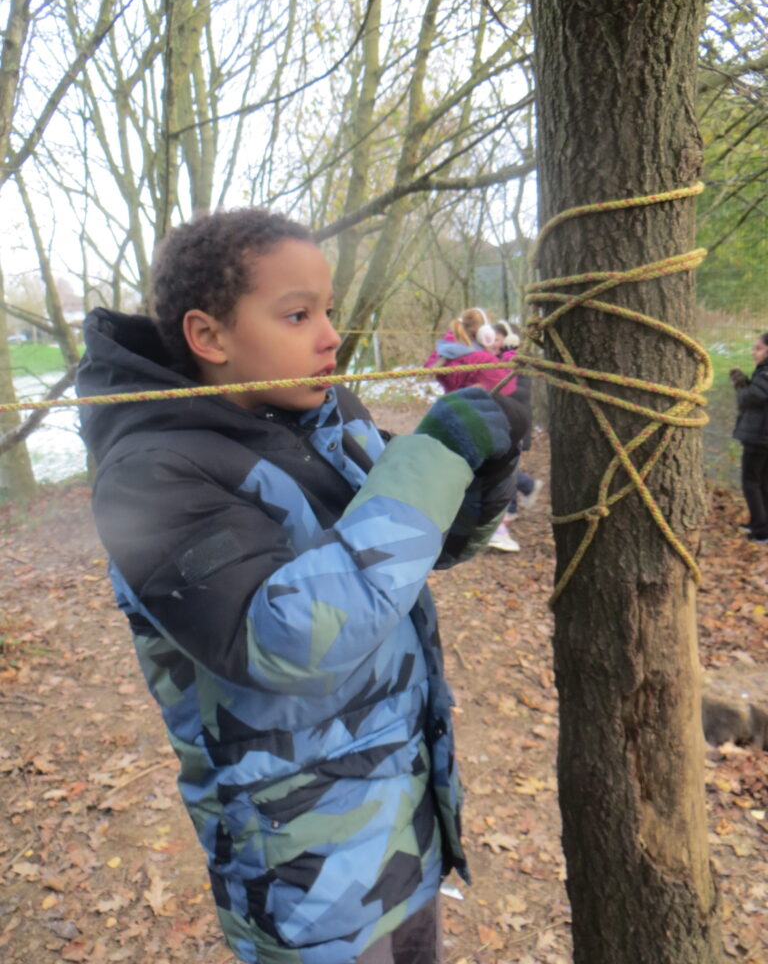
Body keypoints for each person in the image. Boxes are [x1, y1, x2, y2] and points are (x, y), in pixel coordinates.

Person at [75, 208, 527, 964]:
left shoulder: (323, 412)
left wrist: (482, 473)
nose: (329, 337)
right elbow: (289, 642)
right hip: (302, 872)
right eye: (297, 314)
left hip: (402, 816)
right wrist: (435, 457)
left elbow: (413, 543)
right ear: (208, 336)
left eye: (328, 310)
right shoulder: (151, 475)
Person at [424, 308, 520, 552]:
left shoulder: (445, 352)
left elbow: (430, 364)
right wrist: (509, 354)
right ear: (484, 333)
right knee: (488, 478)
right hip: (477, 424)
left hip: (451, 417)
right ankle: (495, 531)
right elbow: (508, 383)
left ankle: (444, 526)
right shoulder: (481, 359)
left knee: (456, 478)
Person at [493, 320, 544, 522]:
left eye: (498, 339)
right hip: (503, 421)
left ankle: (522, 494)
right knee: (504, 464)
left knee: (506, 466)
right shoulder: (496, 361)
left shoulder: (518, 362)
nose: (494, 343)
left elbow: (521, 391)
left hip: (515, 422)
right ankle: (521, 495)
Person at [729, 331, 768, 544]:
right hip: (762, 437)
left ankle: (761, 531)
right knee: (762, 482)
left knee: (750, 482)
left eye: (758, 348)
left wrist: (740, 384)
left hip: (760, 437)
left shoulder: (766, 374)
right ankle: (760, 524)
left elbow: (751, 397)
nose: (754, 352)